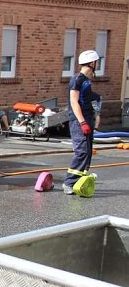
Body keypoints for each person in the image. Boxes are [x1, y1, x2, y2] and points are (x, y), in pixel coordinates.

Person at [63, 50, 102, 196]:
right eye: (96, 62)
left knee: (88, 151)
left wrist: (95, 114)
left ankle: (81, 178)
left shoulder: (87, 80)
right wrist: (82, 122)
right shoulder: (77, 80)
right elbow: (74, 101)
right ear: (92, 63)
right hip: (79, 120)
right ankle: (69, 182)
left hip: (88, 118)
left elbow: (88, 99)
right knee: (82, 151)